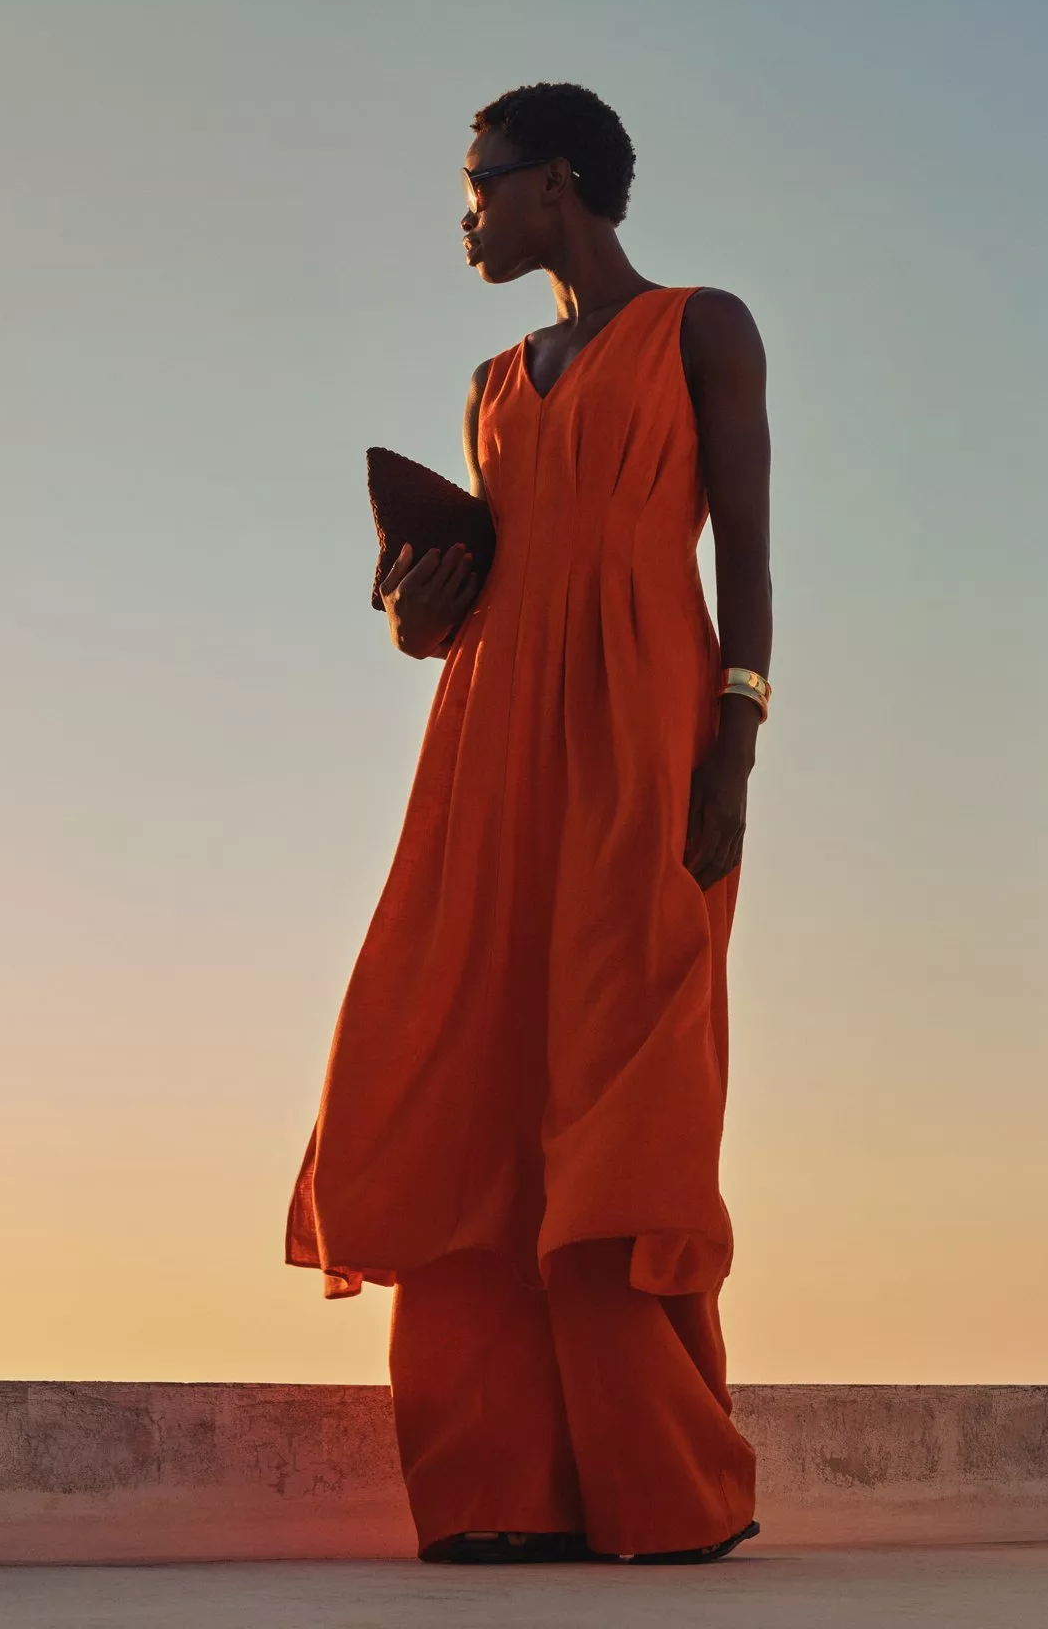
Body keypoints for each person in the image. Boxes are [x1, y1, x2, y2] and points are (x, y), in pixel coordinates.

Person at [287, 82, 772, 1566]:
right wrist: (411, 622)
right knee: (472, 1057)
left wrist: (735, 739)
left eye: (481, 180)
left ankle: (659, 1485)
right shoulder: (495, 380)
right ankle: (501, 1485)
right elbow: (471, 606)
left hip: (646, 724)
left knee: (624, 1083)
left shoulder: (705, 324)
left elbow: (749, 544)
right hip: (490, 742)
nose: (468, 209)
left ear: (558, 181)